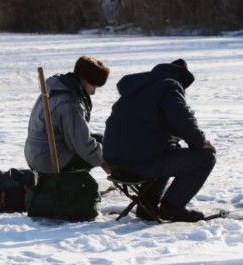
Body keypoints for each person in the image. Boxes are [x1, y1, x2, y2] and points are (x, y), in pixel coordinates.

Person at [102, 59, 216, 222]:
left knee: (165, 150)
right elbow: (181, 118)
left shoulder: (138, 88)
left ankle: (146, 206)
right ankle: (172, 208)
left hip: (115, 163)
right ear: (182, 77)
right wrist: (200, 142)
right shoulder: (170, 85)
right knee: (205, 159)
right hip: (141, 163)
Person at [25, 56, 110, 174]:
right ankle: (76, 180)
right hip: (49, 160)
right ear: (84, 79)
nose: (94, 92)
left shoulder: (57, 88)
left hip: (35, 154)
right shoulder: (70, 102)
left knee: (99, 140)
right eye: (94, 85)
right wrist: (105, 162)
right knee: (101, 148)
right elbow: (82, 145)